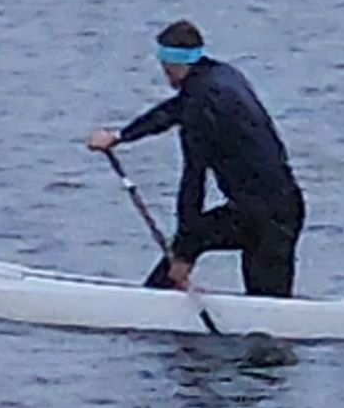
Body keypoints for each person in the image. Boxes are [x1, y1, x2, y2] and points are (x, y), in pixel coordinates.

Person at [87, 20, 306, 298]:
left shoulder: (201, 109)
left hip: (264, 219)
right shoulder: (221, 76)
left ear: (170, 64)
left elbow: (193, 182)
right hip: (284, 207)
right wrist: (121, 135)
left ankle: (151, 307)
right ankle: (159, 299)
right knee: (265, 304)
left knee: (195, 245)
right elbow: (171, 111)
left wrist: (184, 256)